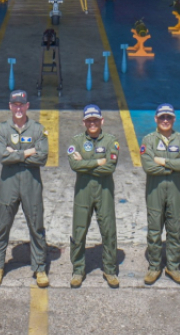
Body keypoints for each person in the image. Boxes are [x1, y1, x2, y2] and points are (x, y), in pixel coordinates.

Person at [0, 90, 49, 288]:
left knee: (36, 225)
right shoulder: (2, 130)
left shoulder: (38, 129)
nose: (18, 108)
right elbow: (2, 157)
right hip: (10, 182)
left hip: (31, 182)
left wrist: (15, 153)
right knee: (3, 224)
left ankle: (39, 267)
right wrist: (28, 153)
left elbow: (42, 157)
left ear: (27, 106)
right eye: (15, 104)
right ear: (9, 106)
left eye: (21, 104)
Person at [140, 103, 180, 285]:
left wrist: (161, 161)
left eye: (168, 117)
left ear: (174, 119)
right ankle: (154, 267)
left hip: (175, 191)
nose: (165, 120)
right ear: (156, 119)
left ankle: (173, 267)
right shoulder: (148, 140)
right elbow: (148, 166)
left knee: (174, 228)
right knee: (154, 229)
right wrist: (173, 165)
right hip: (155, 191)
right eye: (162, 117)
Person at [67, 104, 120, 288]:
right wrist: (98, 161)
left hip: (104, 191)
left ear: (101, 121)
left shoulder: (111, 141)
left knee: (108, 230)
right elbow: (74, 165)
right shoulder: (76, 142)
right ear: (84, 122)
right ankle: (78, 269)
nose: (92, 123)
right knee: (79, 230)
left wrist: (86, 164)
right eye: (89, 120)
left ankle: (110, 269)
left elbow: (110, 167)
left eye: (95, 120)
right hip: (83, 191)